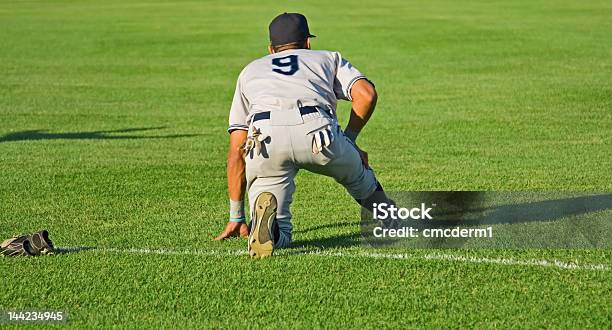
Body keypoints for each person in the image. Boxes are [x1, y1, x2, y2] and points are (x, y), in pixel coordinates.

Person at [215, 12, 387, 258]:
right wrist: (350, 138)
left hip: (264, 138)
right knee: (358, 178)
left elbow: (236, 151)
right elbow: (366, 94)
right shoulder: (327, 59)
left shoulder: (250, 70)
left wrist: (236, 216)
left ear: (271, 49)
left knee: (280, 229)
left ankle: (271, 231)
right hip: (317, 131)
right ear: (307, 43)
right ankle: (390, 218)